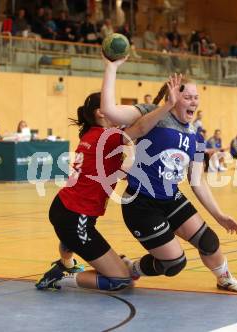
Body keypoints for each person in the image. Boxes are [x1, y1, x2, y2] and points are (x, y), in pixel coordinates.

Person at [35, 57, 183, 292]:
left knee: (74, 237)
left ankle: (68, 257)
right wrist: (166, 107)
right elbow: (142, 127)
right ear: (101, 113)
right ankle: (61, 277)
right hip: (75, 217)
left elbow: (108, 169)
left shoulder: (91, 135)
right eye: (109, 106)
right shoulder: (108, 137)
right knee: (121, 280)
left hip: (66, 209)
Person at [101, 72, 237, 293]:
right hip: (141, 203)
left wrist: (219, 215)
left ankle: (223, 277)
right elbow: (110, 111)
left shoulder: (196, 137)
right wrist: (111, 66)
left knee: (209, 241)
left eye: (196, 97)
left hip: (171, 198)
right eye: (188, 97)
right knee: (173, 264)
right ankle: (131, 267)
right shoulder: (153, 114)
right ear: (173, 97)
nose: (194, 101)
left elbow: (197, 181)